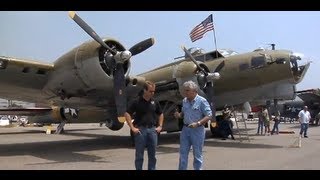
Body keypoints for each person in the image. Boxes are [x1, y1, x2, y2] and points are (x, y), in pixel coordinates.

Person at [124, 81, 164, 170]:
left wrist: (160, 126)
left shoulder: (155, 102)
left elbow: (161, 114)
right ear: (144, 90)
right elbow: (127, 114)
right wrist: (132, 127)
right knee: (139, 156)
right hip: (140, 131)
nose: (152, 93)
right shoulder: (136, 101)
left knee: (153, 156)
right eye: (150, 91)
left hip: (153, 131)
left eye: (153, 91)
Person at [174, 80, 212, 170]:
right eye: (184, 90)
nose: (185, 92)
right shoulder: (184, 101)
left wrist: (198, 123)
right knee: (183, 154)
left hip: (197, 130)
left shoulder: (202, 101)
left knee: (197, 155)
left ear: (194, 91)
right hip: (185, 130)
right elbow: (183, 113)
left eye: (187, 90)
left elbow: (209, 115)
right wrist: (178, 115)